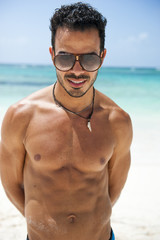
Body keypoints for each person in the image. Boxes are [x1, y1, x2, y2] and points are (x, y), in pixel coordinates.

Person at [0, 2, 132, 240]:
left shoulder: (118, 121)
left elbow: (114, 189)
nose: (77, 70)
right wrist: (40, 225)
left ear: (102, 57)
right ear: (52, 55)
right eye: (65, 58)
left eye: (89, 59)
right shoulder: (21, 116)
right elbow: (11, 184)